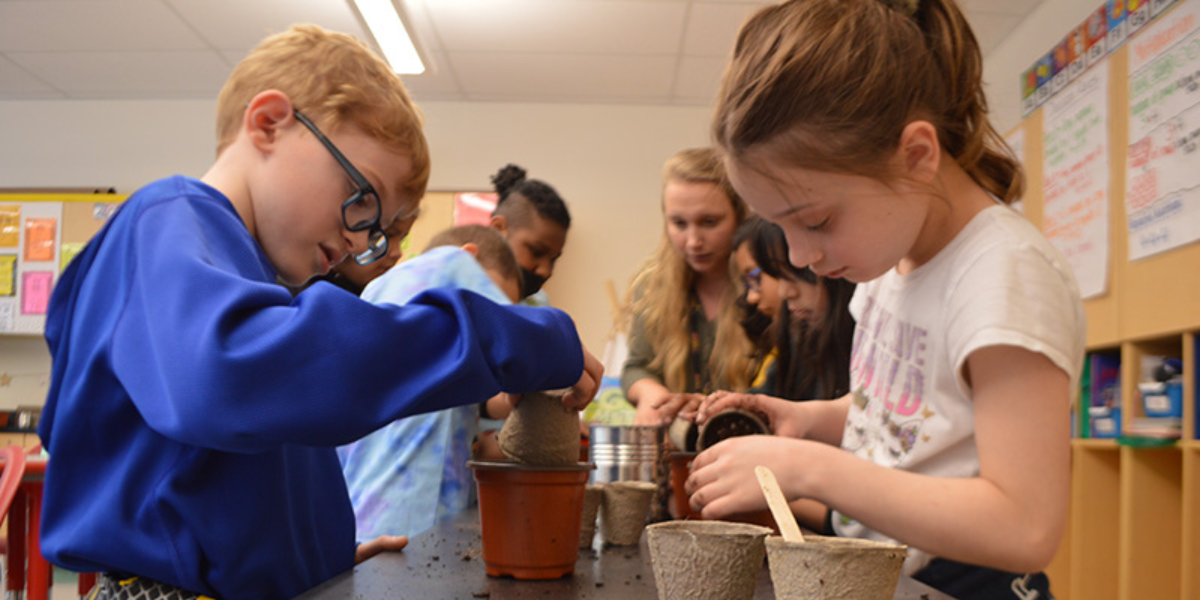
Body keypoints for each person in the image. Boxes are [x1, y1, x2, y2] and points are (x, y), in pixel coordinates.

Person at [38, 25, 602, 600]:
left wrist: (306, 559)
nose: (362, 244)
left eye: (379, 232)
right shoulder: (164, 222)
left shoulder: (248, 284)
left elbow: (226, 456)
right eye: (363, 198)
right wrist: (504, 337)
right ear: (269, 124)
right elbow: (239, 378)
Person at [686, 1, 1085, 598]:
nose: (798, 256)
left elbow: (1025, 525)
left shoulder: (1005, 276)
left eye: (816, 220)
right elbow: (908, 416)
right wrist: (809, 421)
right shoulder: (887, 261)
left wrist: (809, 469)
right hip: (882, 570)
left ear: (917, 156)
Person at [339, 225, 523, 540]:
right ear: (468, 258)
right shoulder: (452, 263)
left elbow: (490, 396)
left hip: (360, 511)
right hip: (410, 518)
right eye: (496, 297)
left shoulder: (379, 292)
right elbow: (519, 344)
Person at [621, 148, 755, 427]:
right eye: (679, 223)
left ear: (739, 215)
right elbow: (636, 367)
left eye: (709, 222)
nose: (693, 241)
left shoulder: (762, 286)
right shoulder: (651, 285)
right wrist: (653, 395)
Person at [733, 216, 856, 401]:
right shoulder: (800, 340)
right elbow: (770, 400)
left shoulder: (865, 344)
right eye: (777, 275)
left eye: (794, 271)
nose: (785, 292)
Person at [488, 164, 571, 305]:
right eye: (536, 252)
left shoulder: (538, 304)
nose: (545, 271)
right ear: (498, 229)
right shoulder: (454, 290)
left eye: (553, 259)